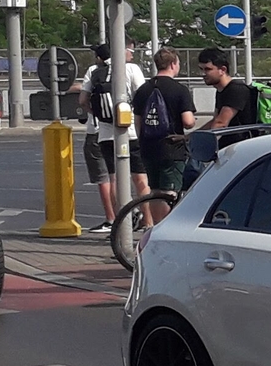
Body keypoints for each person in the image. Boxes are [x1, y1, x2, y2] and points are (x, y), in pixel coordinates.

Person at [81, 40, 146, 235]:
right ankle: (148, 221)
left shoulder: (94, 71)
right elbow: (142, 95)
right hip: (130, 131)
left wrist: (98, 115)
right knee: (140, 178)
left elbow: (82, 100)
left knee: (114, 178)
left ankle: (122, 222)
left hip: (105, 134)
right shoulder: (131, 69)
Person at [132, 48, 197, 221]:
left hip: (148, 147)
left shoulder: (143, 89)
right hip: (172, 147)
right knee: (169, 191)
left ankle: (155, 227)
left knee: (154, 190)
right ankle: (165, 228)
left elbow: (138, 121)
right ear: (173, 64)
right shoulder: (179, 90)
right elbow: (188, 121)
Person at [200, 49, 259, 130]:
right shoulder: (221, 90)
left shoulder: (236, 89)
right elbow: (215, 121)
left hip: (241, 142)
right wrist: (189, 137)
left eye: (208, 69)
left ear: (223, 70)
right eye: (201, 69)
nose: (202, 74)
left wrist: (204, 142)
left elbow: (220, 123)